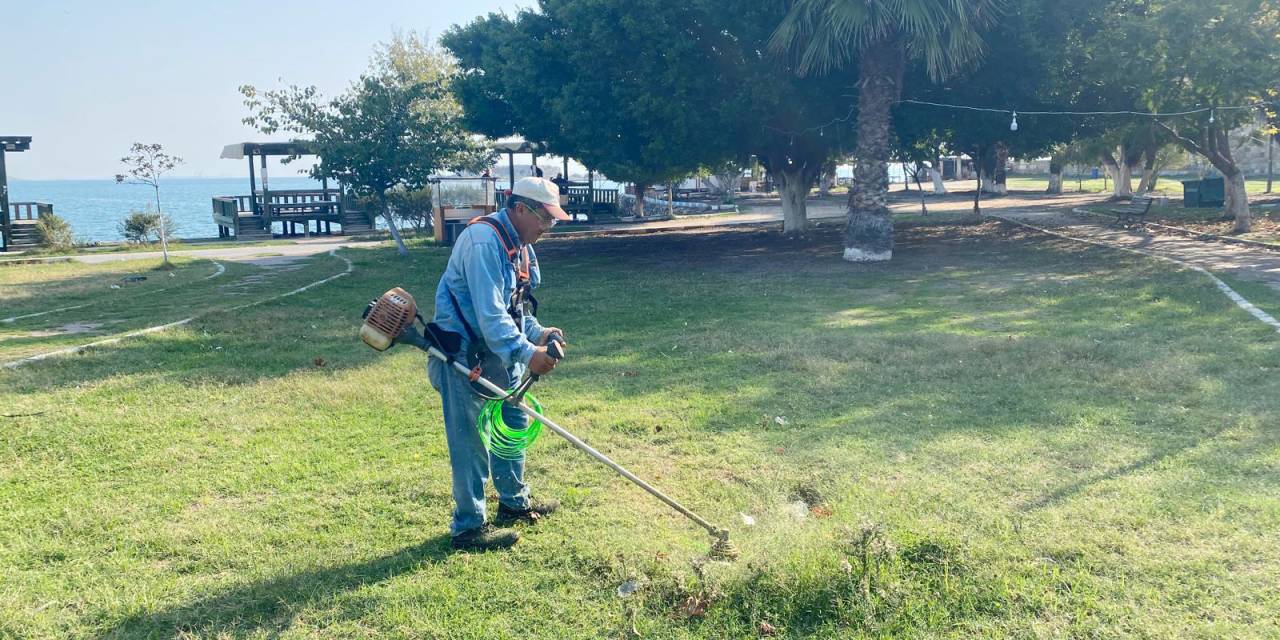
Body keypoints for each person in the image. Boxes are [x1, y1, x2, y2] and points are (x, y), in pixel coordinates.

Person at [429, 176, 572, 551]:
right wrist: (528, 354)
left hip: (497, 353)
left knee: (512, 424)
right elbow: (491, 315)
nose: (548, 227)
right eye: (546, 218)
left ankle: (513, 503)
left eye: (553, 220)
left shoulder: (522, 245)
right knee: (471, 441)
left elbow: (516, 307)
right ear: (521, 208)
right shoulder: (482, 243)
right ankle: (468, 528)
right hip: (461, 355)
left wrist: (539, 333)